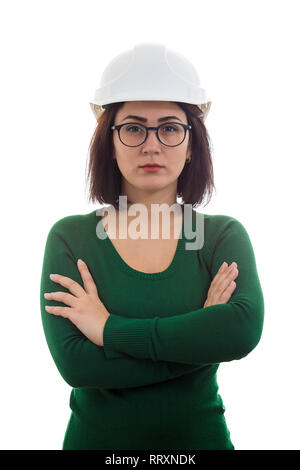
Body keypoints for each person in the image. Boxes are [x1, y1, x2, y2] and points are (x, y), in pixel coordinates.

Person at [40, 43, 264, 450]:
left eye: (170, 127)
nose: (152, 144)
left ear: (192, 141)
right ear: (109, 140)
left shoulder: (221, 235)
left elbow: (241, 331)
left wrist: (108, 329)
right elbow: (77, 366)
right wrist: (199, 339)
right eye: (133, 127)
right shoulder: (69, 239)